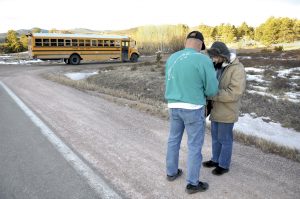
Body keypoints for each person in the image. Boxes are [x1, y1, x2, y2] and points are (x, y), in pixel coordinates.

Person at [165, 31, 219, 194]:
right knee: (194, 145)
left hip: (173, 105)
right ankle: (192, 184)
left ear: (186, 42)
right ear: (201, 45)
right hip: (193, 109)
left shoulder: (172, 58)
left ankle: (171, 172)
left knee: (173, 140)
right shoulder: (202, 59)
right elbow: (212, 89)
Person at [202, 41, 246, 175]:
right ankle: (215, 160)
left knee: (225, 139)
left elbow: (235, 93)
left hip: (227, 111)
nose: (213, 59)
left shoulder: (237, 68)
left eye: (215, 56)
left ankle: (224, 164)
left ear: (222, 55)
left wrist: (213, 95)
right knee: (215, 137)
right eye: (212, 57)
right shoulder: (218, 66)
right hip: (216, 110)